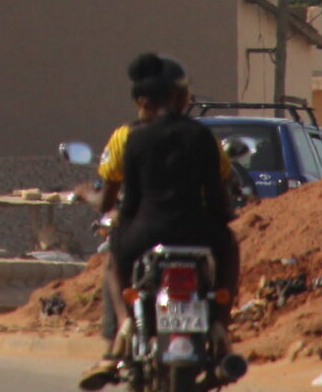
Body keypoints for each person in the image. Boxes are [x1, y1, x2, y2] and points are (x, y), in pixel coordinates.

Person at [81, 52, 240, 390]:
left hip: (147, 231)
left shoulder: (133, 139)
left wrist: (125, 224)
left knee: (113, 264)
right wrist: (224, 217)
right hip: (199, 233)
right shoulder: (202, 137)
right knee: (229, 247)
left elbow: (131, 202)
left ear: (143, 100)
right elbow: (218, 201)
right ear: (179, 97)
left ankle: (124, 328)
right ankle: (222, 328)